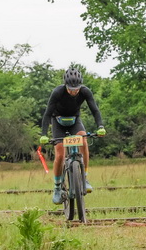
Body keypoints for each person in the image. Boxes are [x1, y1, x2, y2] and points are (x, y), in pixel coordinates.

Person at [40, 68, 106, 204]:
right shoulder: (57, 92)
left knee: (83, 140)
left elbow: (95, 110)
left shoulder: (85, 91)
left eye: (76, 89)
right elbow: (47, 114)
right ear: (65, 85)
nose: (73, 91)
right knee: (60, 154)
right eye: (70, 89)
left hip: (75, 121)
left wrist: (100, 126)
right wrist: (44, 134)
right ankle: (57, 188)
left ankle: (84, 178)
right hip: (58, 121)